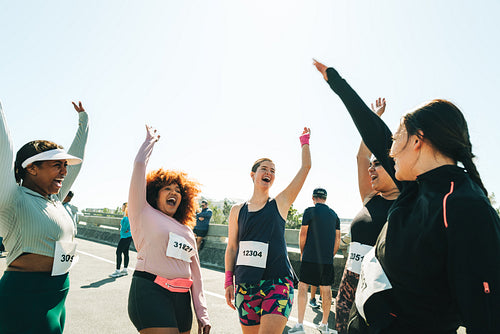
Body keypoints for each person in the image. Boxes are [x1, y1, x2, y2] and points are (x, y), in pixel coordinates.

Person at [314, 60, 500, 333]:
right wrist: (336, 81)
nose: (390, 151)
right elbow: (374, 132)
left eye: (397, 138)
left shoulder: (464, 207)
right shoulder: (414, 187)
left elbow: (487, 316)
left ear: (417, 140)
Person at [0, 101, 88, 333]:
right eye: (56, 165)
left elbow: (77, 164)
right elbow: (4, 148)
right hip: (25, 294)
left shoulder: (55, 198)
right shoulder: (13, 199)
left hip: (58, 291)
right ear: (31, 168)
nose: (65, 171)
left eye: (64, 165)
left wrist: (84, 123)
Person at [224, 127, 312, 334]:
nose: (269, 173)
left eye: (273, 171)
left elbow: (306, 167)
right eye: (264, 169)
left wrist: (304, 141)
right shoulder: (237, 210)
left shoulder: (280, 203)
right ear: (253, 175)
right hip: (245, 285)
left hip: (278, 282)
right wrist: (229, 280)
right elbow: (232, 247)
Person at [127, 125, 210, 334]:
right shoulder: (143, 212)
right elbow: (138, 166)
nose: (174, 193)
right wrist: (149, 142)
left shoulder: (187, 231)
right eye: (167, 189)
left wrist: (202, 314)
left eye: (178, 190)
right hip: (150, 291)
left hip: (181, 299)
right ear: (155, 194)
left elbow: (196, 276)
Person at [334, 98, 399, 334]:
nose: (371, 168)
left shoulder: (406, 205)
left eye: (378, 164)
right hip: (348, 283)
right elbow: (361, 157)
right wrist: (374, 120)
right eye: (371, 165)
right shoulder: (370, 198)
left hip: (379, 291)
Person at [289, 188, 341, 334]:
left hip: (310, 256)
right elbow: (338, 238)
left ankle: (300, 325)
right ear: (325, 198)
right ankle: (324, 325)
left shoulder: (309, 211)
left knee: (303, 288)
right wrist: (331, 254)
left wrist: (302, 252)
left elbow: (303, 234)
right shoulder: (334, 215)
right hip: (326, 259)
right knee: (326, 290)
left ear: (313, 198)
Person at [110, 202, 133, 278]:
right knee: (126, 253)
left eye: (123, 207)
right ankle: (125, 270)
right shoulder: (130, 217)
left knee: (118, 252)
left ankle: (117, 271)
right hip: (129, 237)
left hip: (125, 237)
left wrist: (124, 229)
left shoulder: (126, 218)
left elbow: (123, 229)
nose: (122, 208)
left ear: (126, 208)